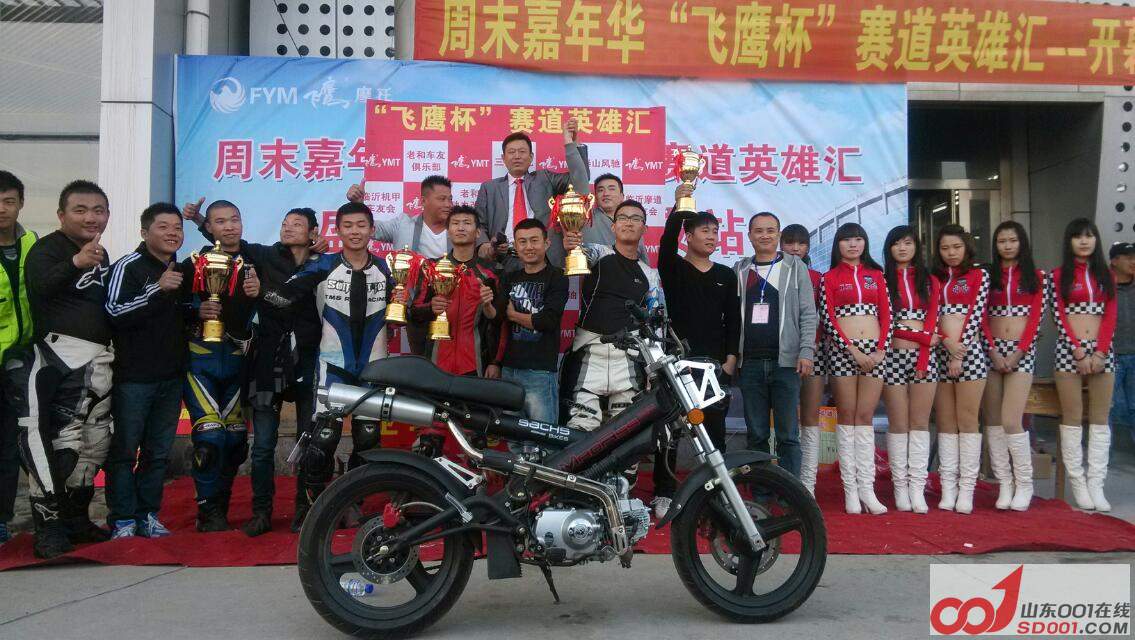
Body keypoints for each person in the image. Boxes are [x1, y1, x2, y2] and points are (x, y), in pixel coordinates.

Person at [183, 199, 325, 535]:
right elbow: (227, 243)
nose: (288, 228)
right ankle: (261, 512)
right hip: (267, 362)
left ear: (313, 233)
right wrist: (201, 221)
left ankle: (306, 511)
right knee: (261, 447)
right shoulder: (263, 255)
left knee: (308, 441)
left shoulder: (325, 264)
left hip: (307, 362)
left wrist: (321, 247)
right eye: (285, 223)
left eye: (297, 224)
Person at [273, 201, 394, 531]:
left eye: (361, 225)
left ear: (372, 230)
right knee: (324, 438)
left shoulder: (387, 269)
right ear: (338, 230)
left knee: (367, 439)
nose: (355, 232)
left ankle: (351, 503)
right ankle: (315, 509)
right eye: (348, 226)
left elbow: (406, 308)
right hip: (332, 365)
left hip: (374, 367)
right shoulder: (323, 265)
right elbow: (284, 295)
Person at [9, 180, 113, 558]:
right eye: (80, 210)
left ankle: (76, 519)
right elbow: (38, 287)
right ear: (61, 215)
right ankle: (49, 527)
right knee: (63, 446)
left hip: (102, 361)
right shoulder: (46, 249)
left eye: (98, 210)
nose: (90, 217)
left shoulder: (101, 252)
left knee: (95, 446)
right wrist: (75, 263)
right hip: (61, 359)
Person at [654, 185, 740, 517]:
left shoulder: (725, 275)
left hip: (714, 365)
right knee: (670, 429)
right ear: (688, 236)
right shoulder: (673, 268)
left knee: (713, 431)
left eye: (715, 232)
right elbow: (665, 243)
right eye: (705, 230)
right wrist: (681, 205)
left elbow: (733, 319)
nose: (712, 236)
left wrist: (730, 359)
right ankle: (664, 491)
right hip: (677, 362)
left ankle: (716, 491)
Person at [103, 203, 188, 538]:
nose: (172, 233)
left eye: (177, 228)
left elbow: (174, 317)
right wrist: (156, 289)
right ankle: (122, 519)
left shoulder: (179, 270)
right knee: (125, 451)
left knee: (158, 453)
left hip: (171, 377)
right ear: (144, 232)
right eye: (163, 227)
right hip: (134, 378)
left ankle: (148, 514)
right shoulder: (128, 265)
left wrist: (198, 312)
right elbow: (113, 312)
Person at [181, 200, 261, 532]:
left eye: (234, 220)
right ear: (209, 227)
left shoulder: (255, 260)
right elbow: (170, 304)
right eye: (220, 221)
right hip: (200, 360)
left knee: (236, 440)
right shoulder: (194, 263)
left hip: (238, 361)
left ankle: (221, 504)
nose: (229, 226)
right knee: (210, 437)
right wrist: (194, 311)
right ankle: (207, 509)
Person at [561, 199, 661, 433]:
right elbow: (578, 254)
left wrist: (654, 369)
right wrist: (571, 245)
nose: (629, 223)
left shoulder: (650, 275)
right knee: (581, 427)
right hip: (589, 352)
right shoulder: (599, 253)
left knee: (625, 430)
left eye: (636, 218)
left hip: (627, 358)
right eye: (623, 218)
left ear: (644, 228)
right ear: (613, 226)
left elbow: (654, 325)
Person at [732, 212, 814, 483]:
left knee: (788, 435)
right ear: (749, 236)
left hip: (786, 363)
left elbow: (808, 313)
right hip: (750, 364)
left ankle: (791, 494)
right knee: (756, 434)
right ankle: (761, 493)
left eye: (770, 230)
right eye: (758, 231)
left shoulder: (795, 267)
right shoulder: (740, 270)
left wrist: (806, 351)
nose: (764, 236)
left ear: (778, 234)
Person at [820, 222, 890, 515]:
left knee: (865, 418)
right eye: (847, 239)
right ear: (838, 244)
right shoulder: (829, 277)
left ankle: (868, 490)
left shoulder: (877, 275)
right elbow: (828, 317)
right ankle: (850, 492)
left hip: (875, 352)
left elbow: (887, 315)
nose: (853, 244)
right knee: (847, 417)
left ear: (865, 243)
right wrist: (852, 349)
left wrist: (880, 349)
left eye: (858, 239)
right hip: (843, 352)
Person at [1052, 218, 1116, 512]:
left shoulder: (1106, 274)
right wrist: (1077, 351)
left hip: (1102, 351)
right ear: (1069, 241)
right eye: (1077, 236)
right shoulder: (1057, 275)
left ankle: (1096, 484)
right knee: (1072, 417)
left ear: (1096, 240)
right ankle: (1077, 484)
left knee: (1100, 419)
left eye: (1089, 236)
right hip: (1069, 351)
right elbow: (1058, 315)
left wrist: (1100, 352)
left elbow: (1111, 315)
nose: (1084, 241)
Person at [981, 221, 1044, 512]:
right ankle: (1004, 483)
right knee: (993, 421)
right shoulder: (988, 276)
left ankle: (1024, 483)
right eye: (1001, 241)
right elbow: (980, 316)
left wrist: (1019, 353)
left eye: (1012, 240)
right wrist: (992, 351)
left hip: (1022, 352)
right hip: (992, 352)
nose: (1007, 246)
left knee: (1011, 419)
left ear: (1022, 243)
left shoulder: (1037, 277)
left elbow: (1036, 319)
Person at [474, 122, 590, 270]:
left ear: (531, 157)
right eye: (511, 152)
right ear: (503, 158)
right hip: (503, 260)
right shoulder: (489, 188)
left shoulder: (545, 178)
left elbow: (580, 181)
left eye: (522, 152)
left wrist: (571, 144)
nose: (517, 156)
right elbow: (479, 223)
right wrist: (486, 247)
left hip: (544, 257)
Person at [880, 226, 940, 514]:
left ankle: (918, 488)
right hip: (892, 356)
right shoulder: (882, 279)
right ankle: (900, 488)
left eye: (908, 243)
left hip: (924, 359)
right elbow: (886, 324)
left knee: (919, 423)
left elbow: (934, 319)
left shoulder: (930, 280)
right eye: (897, 244)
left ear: (917, 246)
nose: (902, 248)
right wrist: (922, 337)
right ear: (889, 248)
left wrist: (924, 354)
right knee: (898, 423)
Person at [487, 218, 568, 426]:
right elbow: (498, 318)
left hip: (540, 371)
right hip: (509, 370)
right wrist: (486, 304)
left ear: (546, 243)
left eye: (534, 240)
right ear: (515, 246)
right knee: (513, 436)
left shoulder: (557, 276)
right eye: (522, 242)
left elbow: (547, 320)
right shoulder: (509, 277)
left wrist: (515, 316)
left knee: (543, 435)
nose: (529, 247)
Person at [932, 224, 989, 514]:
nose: (951, 253)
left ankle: (967, 489)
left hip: (970, 355)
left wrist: (959, 352)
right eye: (945, 248)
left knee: (967, 421)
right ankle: (948, 487)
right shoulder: (935, 279)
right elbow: (932, 316)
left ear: (966, 247)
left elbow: (976, 315)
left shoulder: (979, 275)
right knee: (945, 422)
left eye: (956, 247)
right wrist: (945, 342)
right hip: (940, 355)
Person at [411, 205, 500, 376]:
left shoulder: (491, 272)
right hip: (436, 363)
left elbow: (499, 321)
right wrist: (431, 308)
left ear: (478, 232)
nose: (460, 227)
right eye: (455, 223)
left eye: (467, 223)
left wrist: (495, 361)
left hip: (476, 363)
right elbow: (414, 312)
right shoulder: (431, 268)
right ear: (448, 231)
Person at [0, 171, 36, 545]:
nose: (2, 209)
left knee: (9, 445)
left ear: (20, 204)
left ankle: (2, 519)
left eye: (8, 201)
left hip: (22, 360)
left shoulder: (32, 244)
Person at [780, 223, 825, 496]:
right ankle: (781, 479)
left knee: (809, 417)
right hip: (783, 355)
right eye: (790, 242)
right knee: (785, 421)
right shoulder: (773, 272)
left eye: (801, 243)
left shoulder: (819, 277)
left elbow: (820, 316)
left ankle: (807, 484)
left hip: (813, 354)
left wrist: (811, 347)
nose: (795, 248)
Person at [346, 174, 453, 258]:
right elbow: (371, 228)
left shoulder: (458, 229)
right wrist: (358, 204)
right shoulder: (402, 225)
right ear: (423, 201)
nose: (448, 204)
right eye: (442, 199)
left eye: (450, 199)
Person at [583, 173, 648, 261]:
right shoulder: (587, 216)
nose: (606, 194)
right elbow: (579, 174)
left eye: (611, 189)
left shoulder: (633, 223)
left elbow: (643, 261)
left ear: (622, 196)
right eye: (600, 190)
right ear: (595, 197)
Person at [1109, 241, 1135, 449]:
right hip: (1112, 355)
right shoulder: (1104, 287)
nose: (1133, 261)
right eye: (1129, 257)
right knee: (1110, 407)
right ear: (1115, 261)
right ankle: (1104, 456)